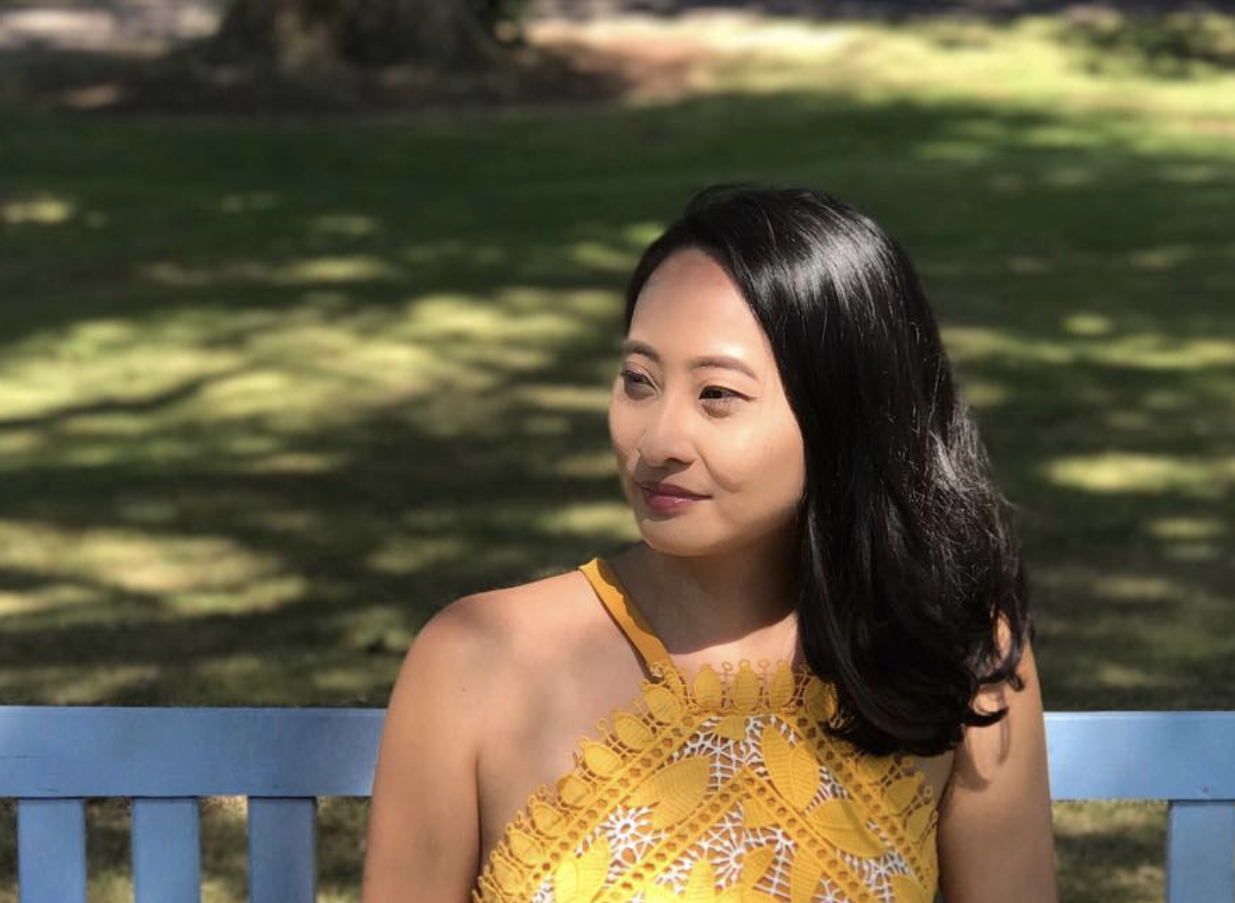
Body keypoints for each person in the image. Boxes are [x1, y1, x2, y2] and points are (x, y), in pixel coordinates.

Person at [360, 183, 1058, 903]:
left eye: (717, 395)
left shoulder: (954, 654)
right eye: (638, 381)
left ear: (845, 412)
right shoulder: (474, 660)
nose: (658, 440)